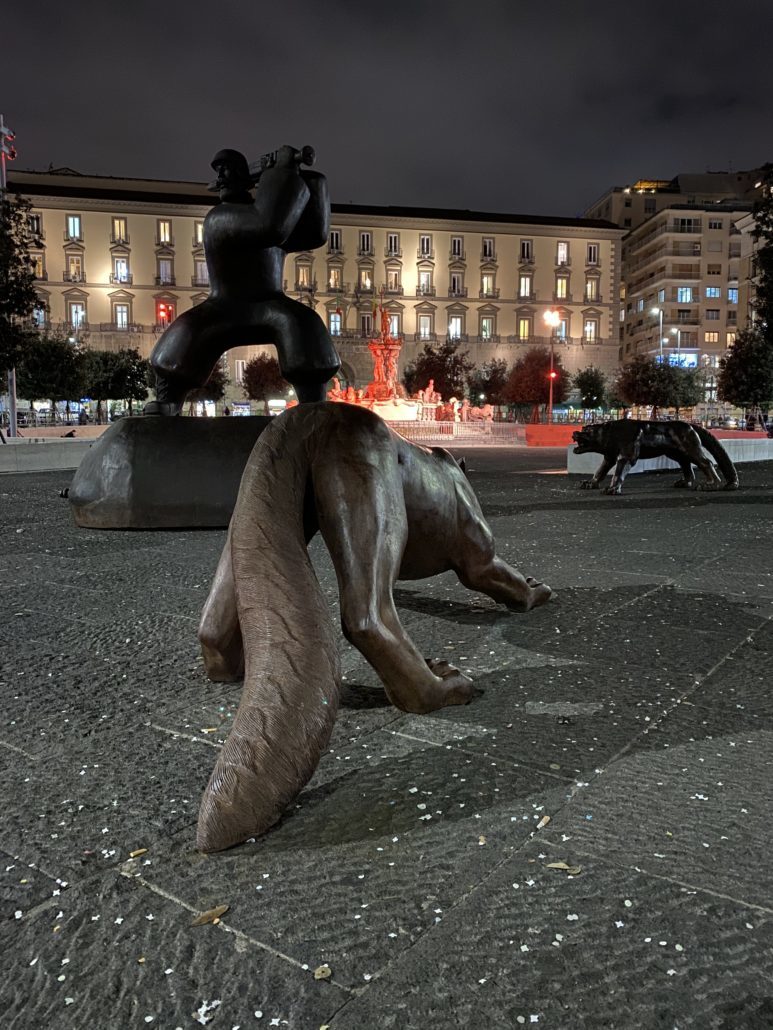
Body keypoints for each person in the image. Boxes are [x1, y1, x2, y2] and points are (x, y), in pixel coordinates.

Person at [145, 145, 340, 416]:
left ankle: (314, 403)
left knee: (304, 324)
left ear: (244, 176)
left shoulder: (268, 212)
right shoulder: (220, 218)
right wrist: (282, 173)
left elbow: (314, 233)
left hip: (270, 303)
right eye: (219, 171)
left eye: (227, 169)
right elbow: (268, 225)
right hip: (224, 306)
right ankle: (169, 398)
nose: (221, 177)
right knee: (186, 334)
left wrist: (310, 180)